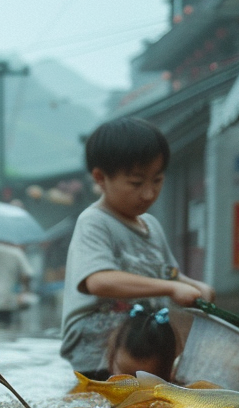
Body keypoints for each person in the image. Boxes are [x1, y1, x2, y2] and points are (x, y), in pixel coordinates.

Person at [57, 116, 207, 377]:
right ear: (100, 178)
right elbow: (99, 281)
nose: (149, 193)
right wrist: (172, 287)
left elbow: (168, 275)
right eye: (137, 183)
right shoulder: (94, 221)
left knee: (163, 331)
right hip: (96, 344)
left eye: (157, 181)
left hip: (142, 339)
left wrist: (194, 286)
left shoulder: (151, 226)